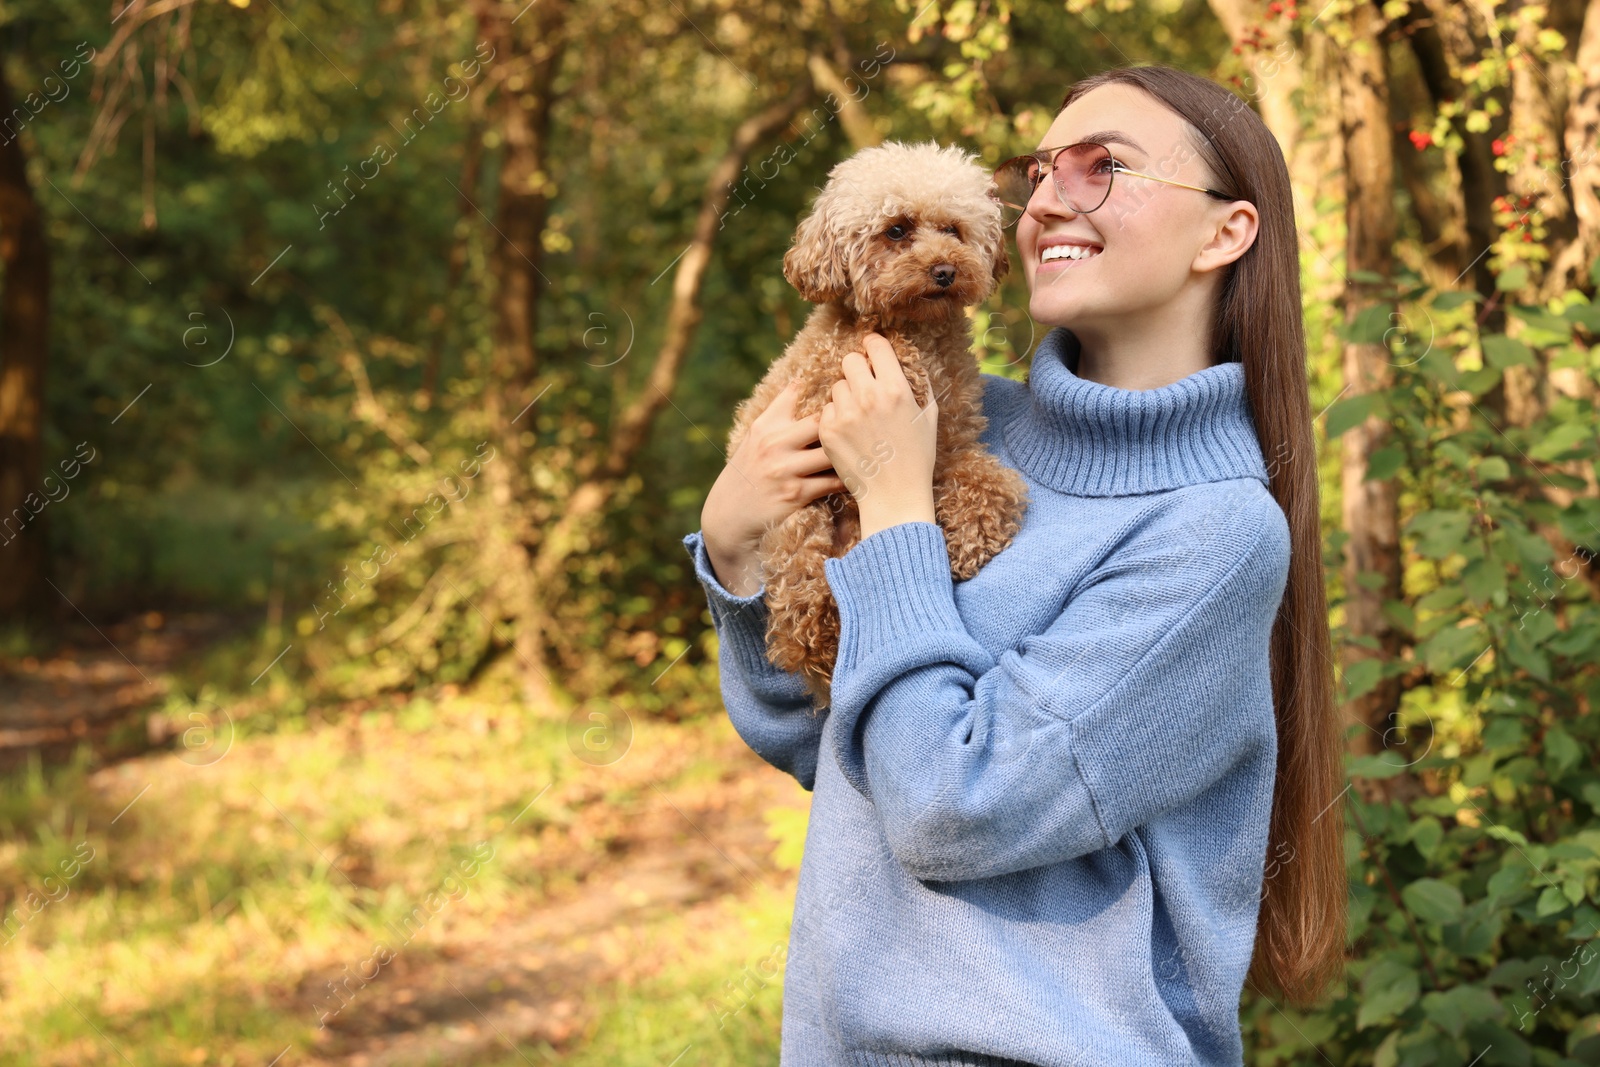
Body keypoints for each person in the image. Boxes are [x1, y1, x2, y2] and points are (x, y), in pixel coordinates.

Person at [682, 63, 1346, 1067]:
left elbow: (952, 806)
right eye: (1038, 173)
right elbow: (833, 743)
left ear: (1226, 232)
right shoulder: (954, 420)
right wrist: (734, 543)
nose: (1044, 200)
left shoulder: (1214, 535)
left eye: (1101, 169)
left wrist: (899, 511)